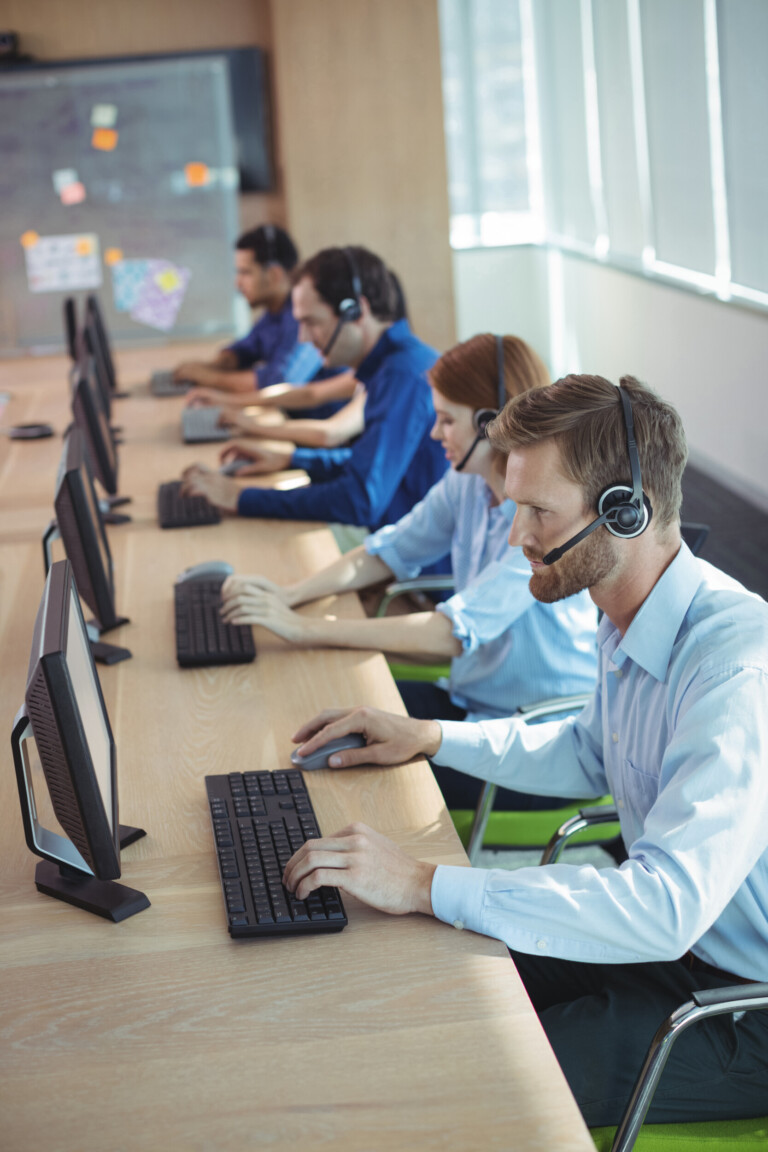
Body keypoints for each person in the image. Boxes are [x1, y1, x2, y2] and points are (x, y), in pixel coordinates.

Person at [280, 373, 768, 1128]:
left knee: (471, 1083)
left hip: (742, 1007)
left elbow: (668, 903)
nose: (516, 537)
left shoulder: (735, 666)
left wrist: (422, 880)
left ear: (625, 511)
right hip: (671, 950)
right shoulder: (624, 615)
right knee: (430, 976)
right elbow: (584, 754)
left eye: (538, 511)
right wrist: (431, 737)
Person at [220, 333, 598, 811]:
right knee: (323, 711)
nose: (435, 433)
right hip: (469, 709)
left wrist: (305, 629)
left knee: (346, 779)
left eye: (445, 420)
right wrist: (290, 595)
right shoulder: (468, 480)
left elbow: (451, 636)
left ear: (490, 424)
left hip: (531, 746)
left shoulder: (544, 520)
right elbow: (388, 551)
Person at [180, 246, 449, 531]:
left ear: (356, 311)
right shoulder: (389, 367)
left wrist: (240, 497)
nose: (305, 338)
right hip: (394, 547)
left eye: (311, 323)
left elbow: (360, 499)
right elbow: (365, 462)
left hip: (415, 569)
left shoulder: (403, 375)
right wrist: (290, 459)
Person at [173, 224, 356, 411]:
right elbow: (246, 349)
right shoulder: (274, 312)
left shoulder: (303, 315)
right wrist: (215, 365)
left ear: (274, 275)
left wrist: (211, 378)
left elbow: (280, 383)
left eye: (245, 273)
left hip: (318, 430)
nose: (238, 283)